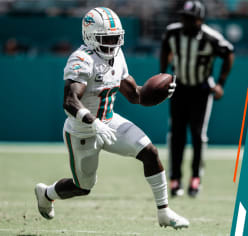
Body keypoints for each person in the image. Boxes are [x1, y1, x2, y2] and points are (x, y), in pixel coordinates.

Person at [34, 7, 189, 229]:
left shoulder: (117, 55)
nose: (112, 43)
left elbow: (135, 95)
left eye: (116, 38)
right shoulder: (81, 59)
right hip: (82, 130)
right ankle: (47, 193)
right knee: (83, 187)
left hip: (109, 121)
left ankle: (164, 212)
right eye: (106, 38)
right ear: (89, 36)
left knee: (150, 152)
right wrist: (92, 122)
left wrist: (160, 93)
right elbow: (69, 101)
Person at [160, 1, 234, 197]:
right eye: (183, 17)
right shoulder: (173, 32)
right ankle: (175, 179)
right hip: (180, 88)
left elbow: (228, 53)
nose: (184, 21)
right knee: (176, 135)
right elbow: (165, 48)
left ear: (199, 20)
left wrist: (220, 84)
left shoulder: (211, 37)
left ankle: (195, 178)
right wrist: (162, 75)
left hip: (201, 89)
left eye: (189, 18)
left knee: (198, 134)